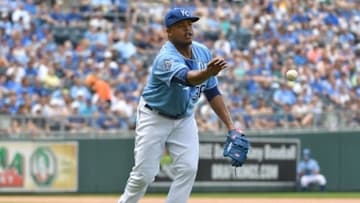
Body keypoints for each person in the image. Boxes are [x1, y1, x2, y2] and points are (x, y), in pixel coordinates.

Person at [117, 8, 248, 203]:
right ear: (169, 31)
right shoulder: (165, 58)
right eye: (181, 26)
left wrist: (231, 126)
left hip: (184, 118)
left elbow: (212, 92)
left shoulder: (202, 52)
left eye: (190, 25)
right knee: (144, 175)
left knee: (188, 168)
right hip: (155, 116)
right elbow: (187, 79)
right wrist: (207, 73)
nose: (188, 29)